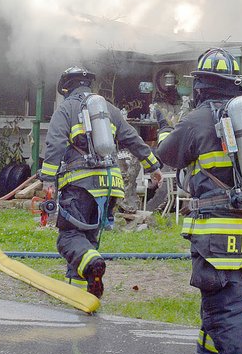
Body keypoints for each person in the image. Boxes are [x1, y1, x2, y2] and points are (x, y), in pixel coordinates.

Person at [155, 48, 242, 354]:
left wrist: (164, 129)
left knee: (224, 306)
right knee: (225, 295)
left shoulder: (197, 119)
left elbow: (167, 156)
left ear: (201, 85)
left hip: (218, 230)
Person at [40, 66, 163, 297]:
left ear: (66, 87)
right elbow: (132, 139)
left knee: (69, 237)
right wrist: (153, 166)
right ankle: (79, 293)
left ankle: (92, 265)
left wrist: (48, 179)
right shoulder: (109, 109)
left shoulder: (65, 109)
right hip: (110, 186)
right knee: (87, 239)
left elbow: (55, 144)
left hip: (80, 185)